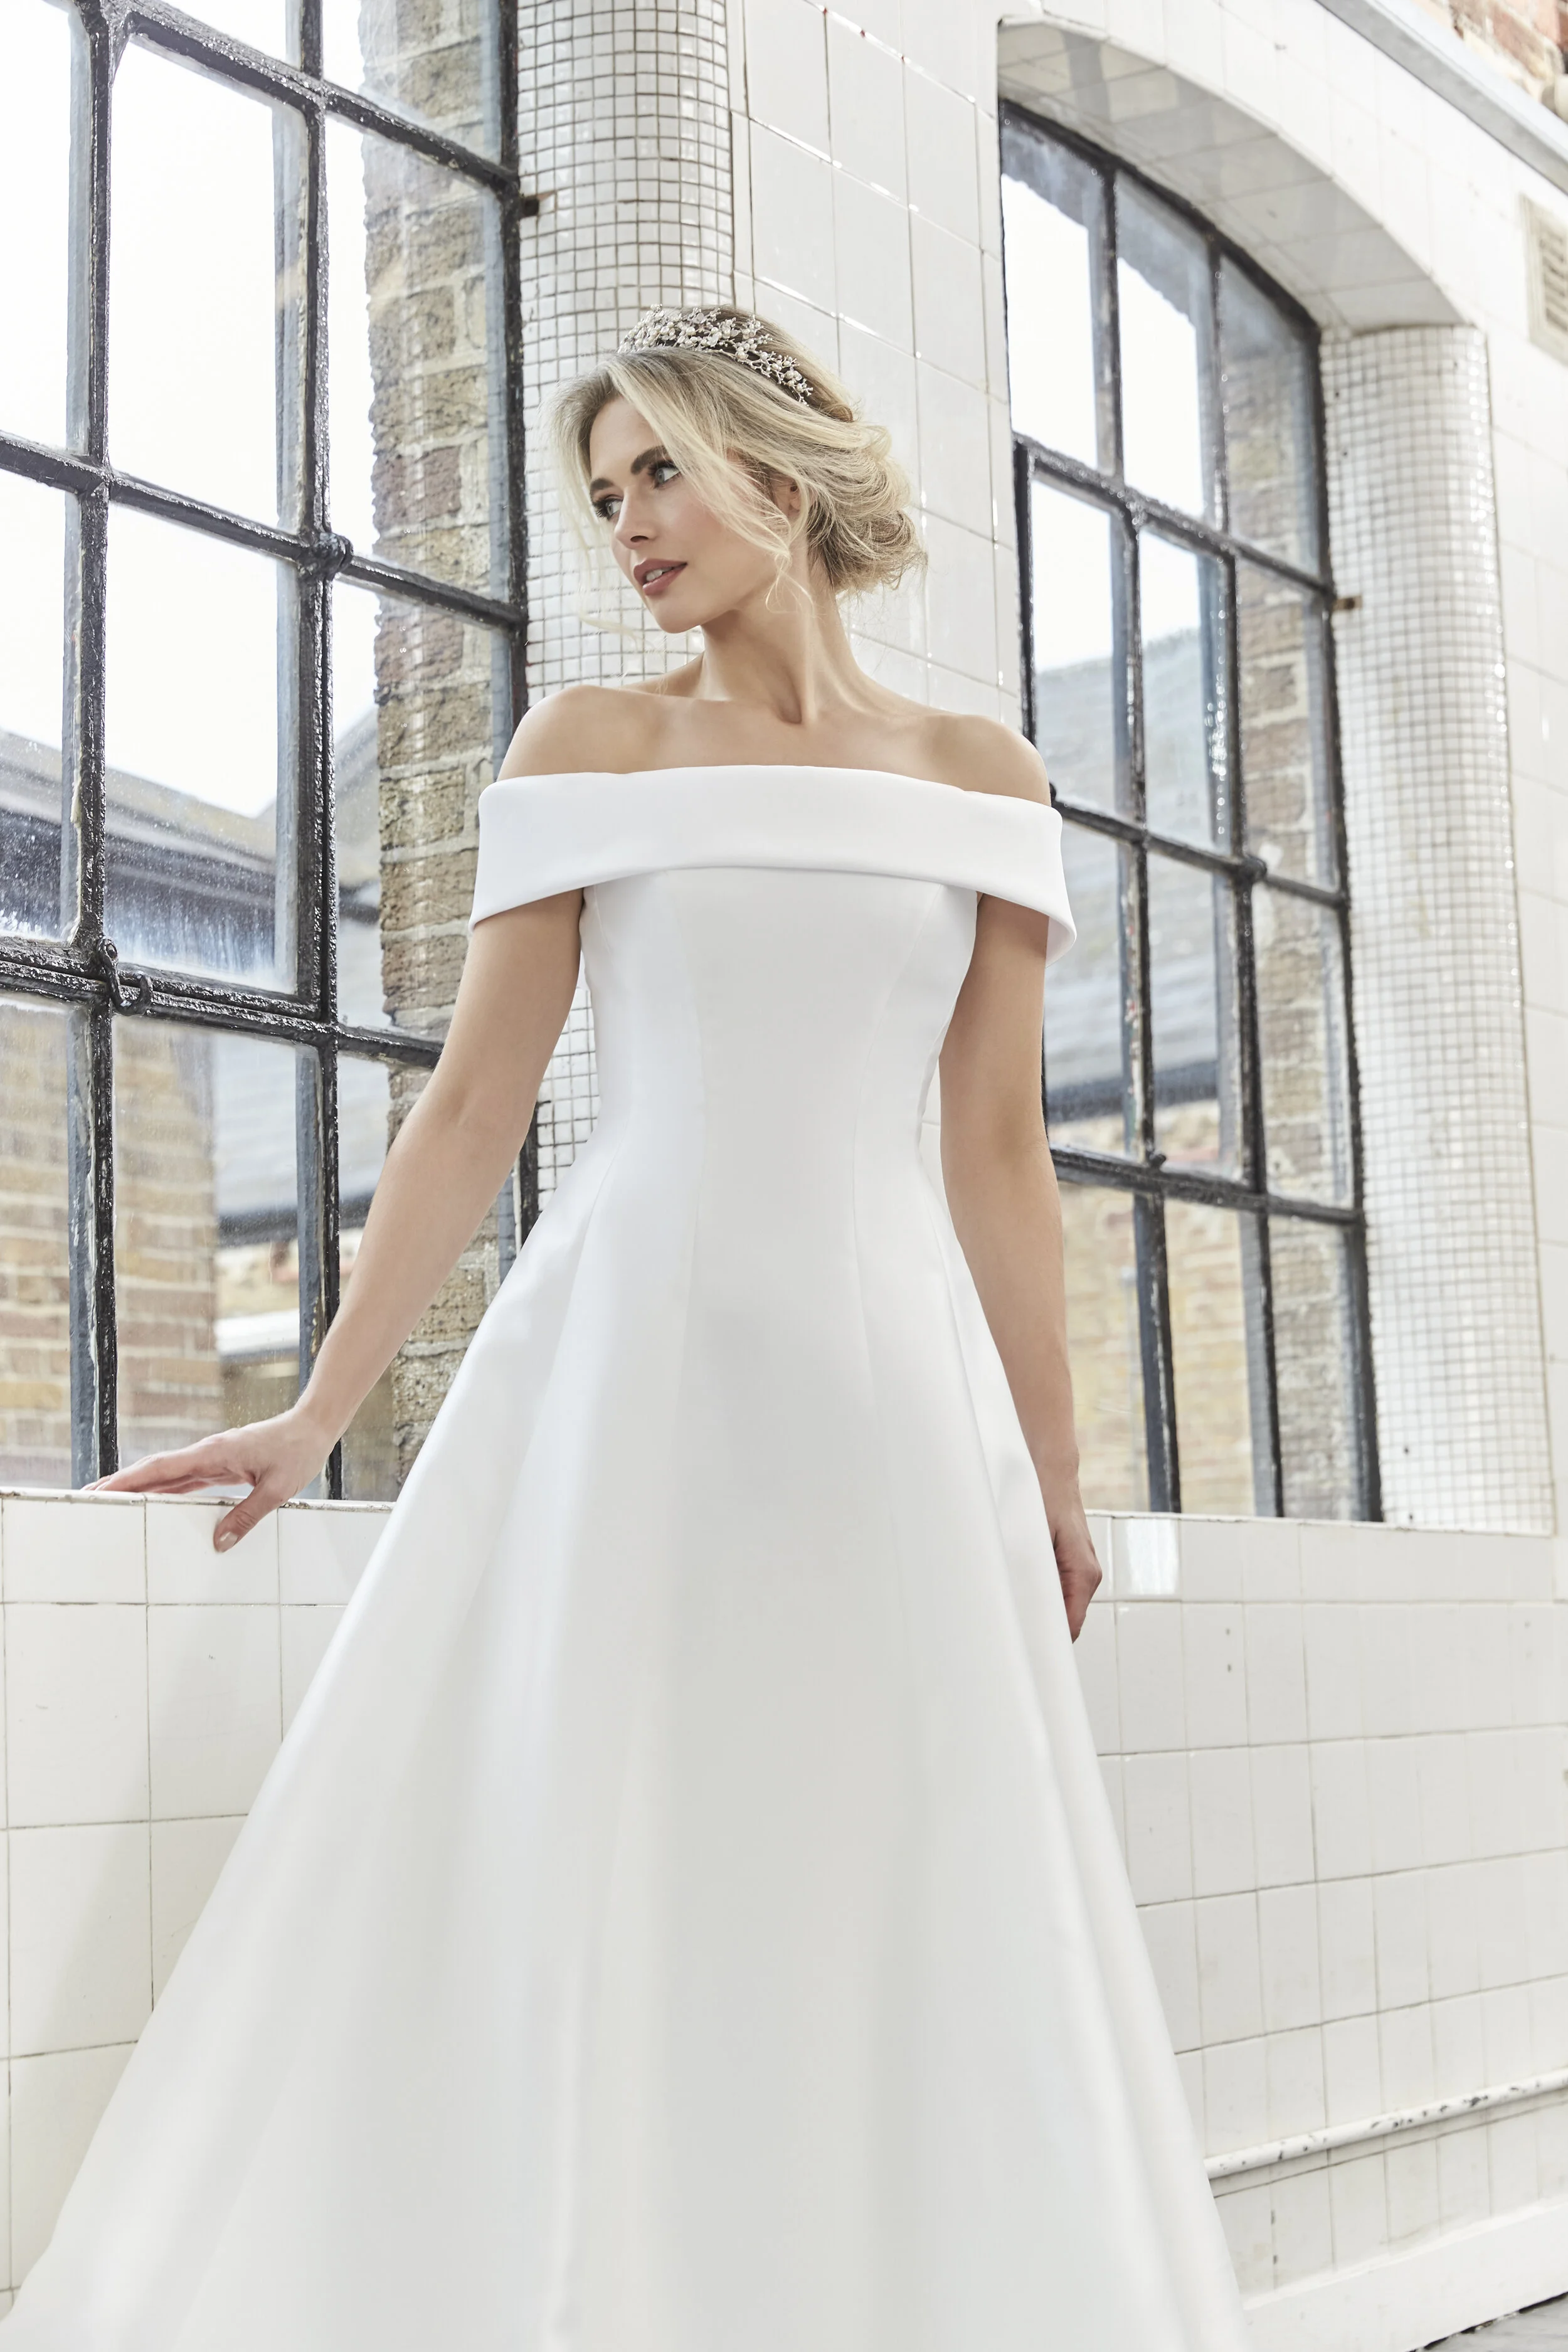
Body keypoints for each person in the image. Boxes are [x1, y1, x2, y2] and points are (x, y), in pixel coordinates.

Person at [3, 307, 1250, 2350]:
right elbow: (471, 1105)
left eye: (660, 469)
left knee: (874, 1851)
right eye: (603, 496)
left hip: (881, 1388)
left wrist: (1049, 1470)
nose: (629, 526)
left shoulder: (981, 776)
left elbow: (998, 1150)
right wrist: (318, 1406)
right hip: (624, 1359)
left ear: (781, 472)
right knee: (603, 1829)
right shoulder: (587, 745)